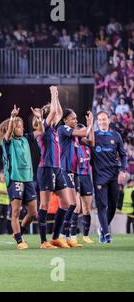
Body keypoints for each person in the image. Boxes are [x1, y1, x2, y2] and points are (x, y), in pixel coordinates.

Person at [0, 105, 43, 249]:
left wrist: (39, 118)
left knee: (33, 213)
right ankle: (19, 241)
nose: (22, 129)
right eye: (19, 126)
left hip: (28, 178)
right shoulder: (7, 142)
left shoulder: (25, 138)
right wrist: (12, 117)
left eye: (22, 126)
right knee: (15, 212)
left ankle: (19, 231)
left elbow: (40, 130)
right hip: (15, 178)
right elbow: (9, 131)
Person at [36, 86, 72, 249]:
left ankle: (55, 237)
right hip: (46, 168)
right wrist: (52, 94)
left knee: (66, 202)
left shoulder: (55, 130)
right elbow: (54, 113)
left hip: (57, 168)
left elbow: (57, 111)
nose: (56, 115)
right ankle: (43, 241)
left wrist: (56, 96)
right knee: (44, 205)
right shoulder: (43, 126)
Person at [57, 109, 93, 247]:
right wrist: (89, 123)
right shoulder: (63, 129)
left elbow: (91, 143)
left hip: (75, 171)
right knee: (72, 204)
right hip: (65, 170)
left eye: (76, 118)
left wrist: (91, 125)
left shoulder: (74, 136)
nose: (76, 121)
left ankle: (67, 238)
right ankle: (61, 236)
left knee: (73, 205)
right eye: (73, 118)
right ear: (65, 120)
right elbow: (84, 132)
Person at [91, 111, 127, 243]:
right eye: (99, 120)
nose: (102, 122)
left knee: (113, 205)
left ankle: (102, 228)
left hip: (114, 176)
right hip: (99, 176)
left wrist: (122, 170)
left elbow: (123, 155)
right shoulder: (93, 136)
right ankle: (106, 234)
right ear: (97, 121)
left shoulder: (116, 135)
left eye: (104, 119)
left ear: (109, 120)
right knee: (102, 205)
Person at [77, 123, 96, 244]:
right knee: (75, 207)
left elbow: (92, 141)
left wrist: (91, 125)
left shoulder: (87, 147)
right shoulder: (73, 145)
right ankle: (70, 235)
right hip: (75, 176)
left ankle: (86, 235)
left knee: (86, 209)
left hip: (87, 177)